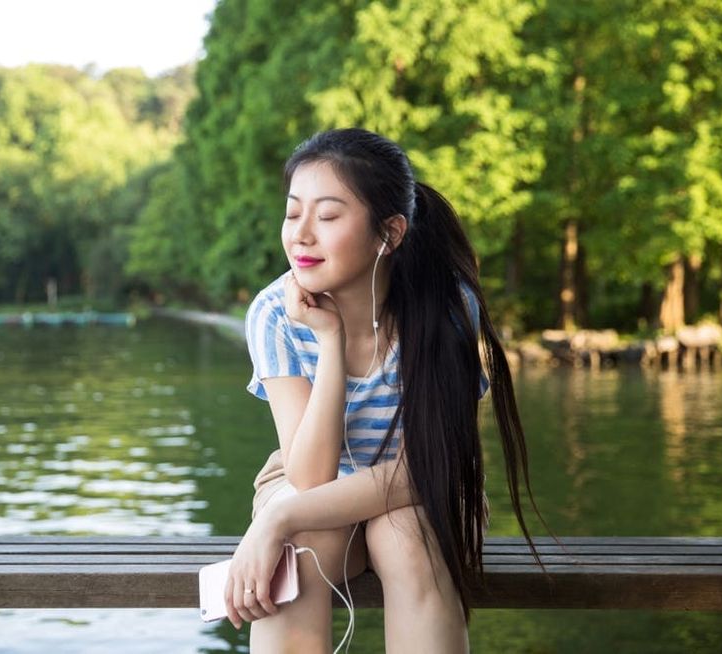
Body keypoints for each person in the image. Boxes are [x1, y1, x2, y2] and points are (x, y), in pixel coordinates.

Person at [224, 128, 548, 653]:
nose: (301, 234)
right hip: (312, 485)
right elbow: (310, 478)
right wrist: (330, 340)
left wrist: (279, 518)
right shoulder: (273, 315)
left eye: (327, 216)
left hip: (427, 484)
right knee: (302, 547)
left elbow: (431, 464)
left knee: (408, 541)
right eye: (292, 213)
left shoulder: (445, 309)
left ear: (389, 233)